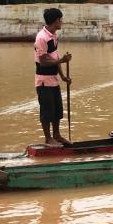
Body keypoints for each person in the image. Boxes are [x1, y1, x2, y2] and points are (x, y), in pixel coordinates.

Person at [34, 8, 72, 147]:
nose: (61, 22)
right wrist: (62, 60)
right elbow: (43, 61)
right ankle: (48, 138)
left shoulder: (53, 36)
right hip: (43, 81)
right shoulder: (41, 38)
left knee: (57, 110)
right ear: (56, 21)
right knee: (47, 111)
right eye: (60, 20)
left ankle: (56, 135)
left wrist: (62, 76)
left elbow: (55, 57)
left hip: (54, 80)